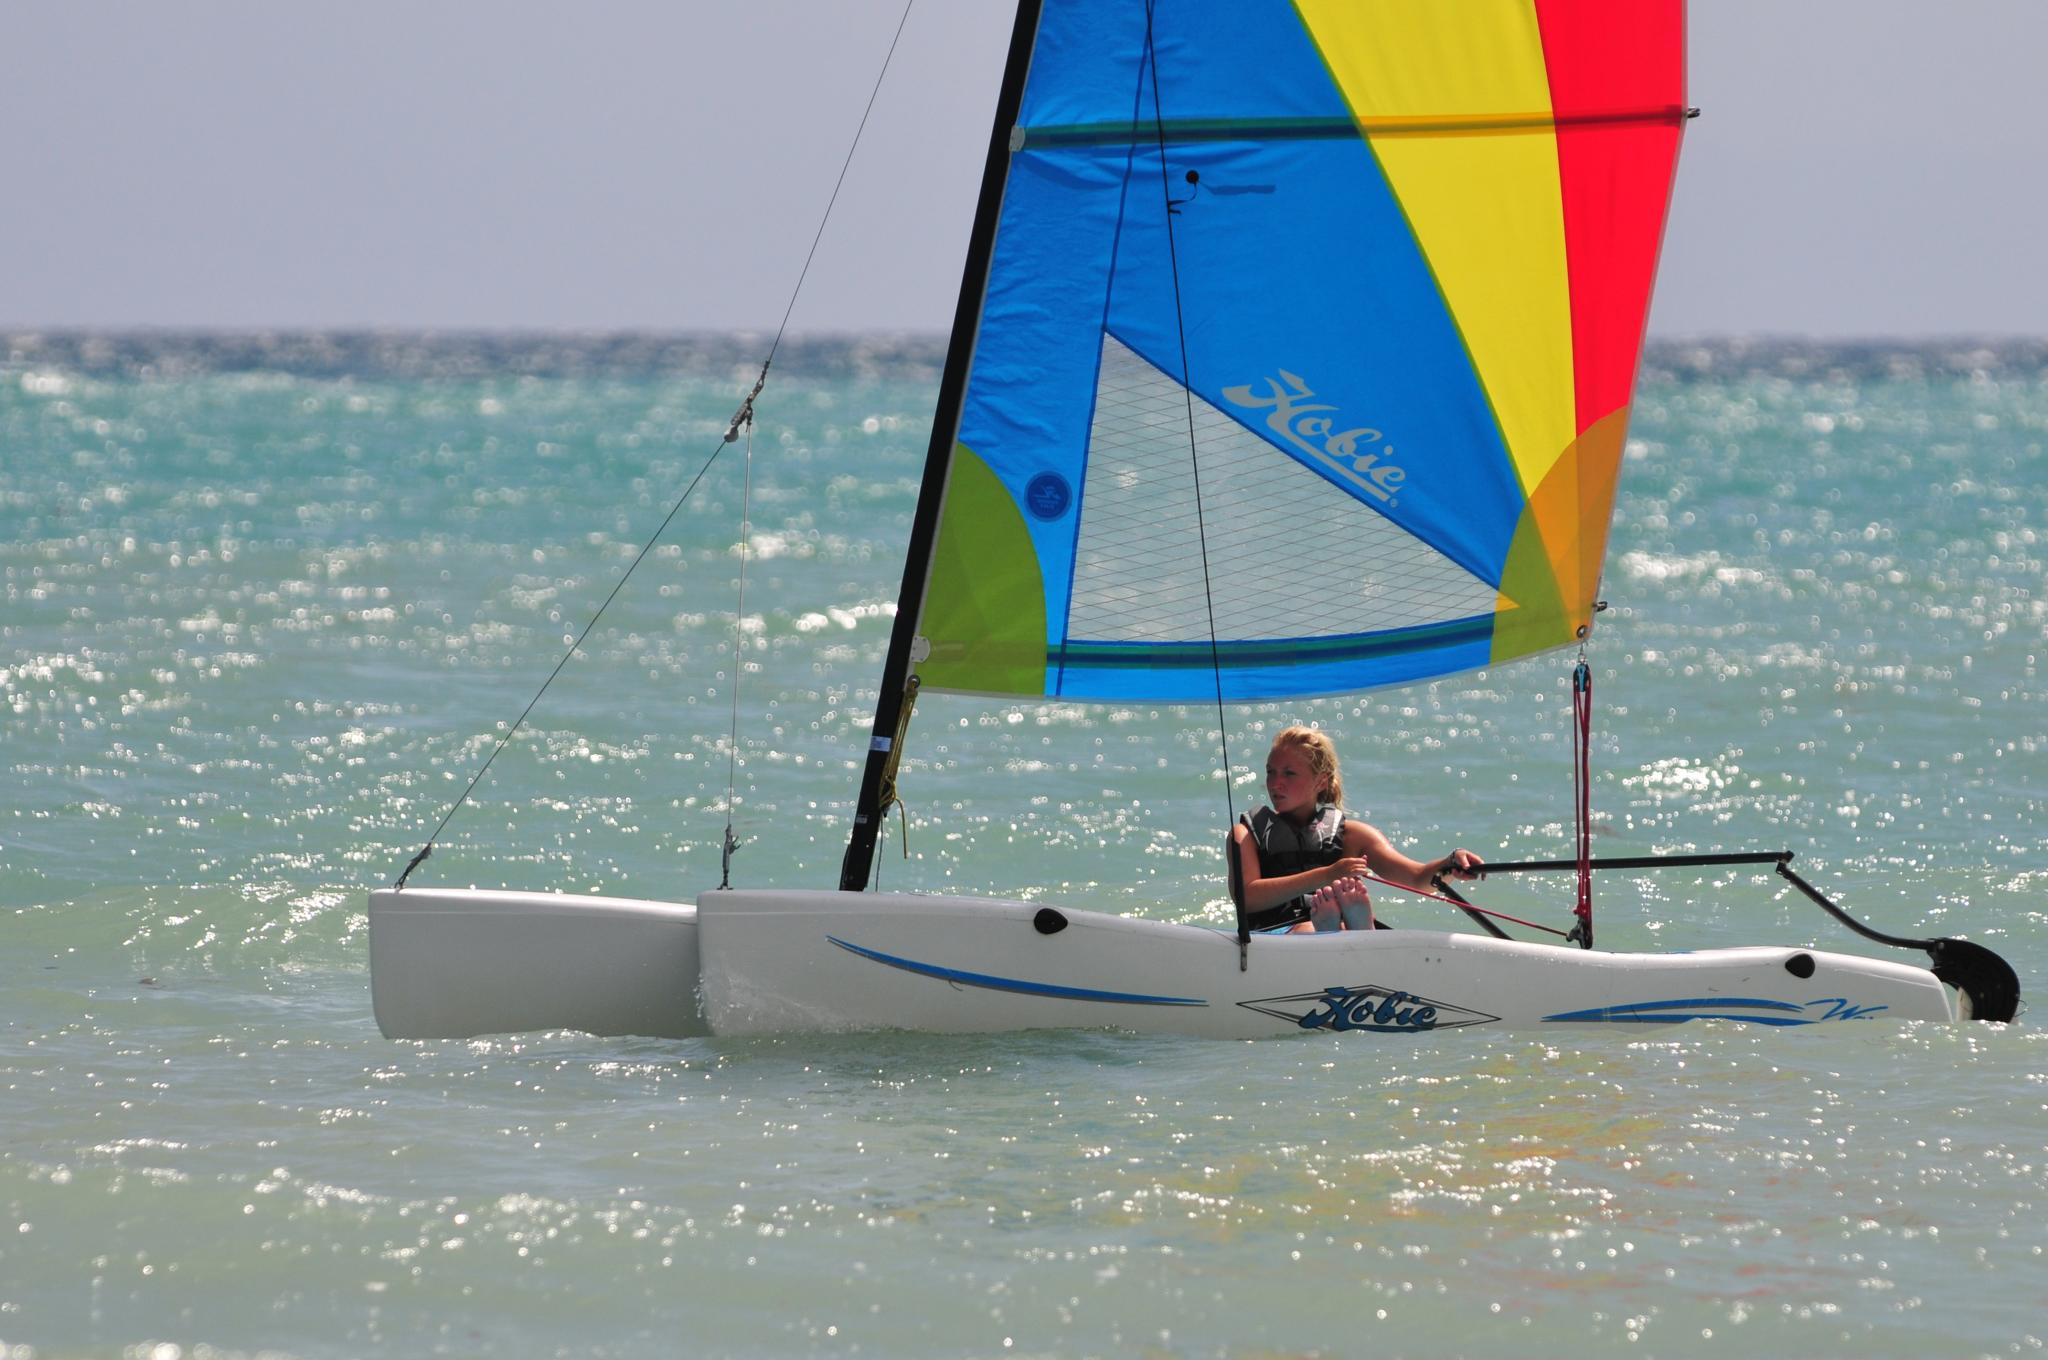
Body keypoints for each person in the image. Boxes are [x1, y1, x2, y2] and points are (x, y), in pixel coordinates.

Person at [1229, 725, 1483, 933]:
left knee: (1337, 929)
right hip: (1270, 940)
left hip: (1337, 932)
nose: (1275, 783)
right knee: (1312, 931)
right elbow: (1247, 898)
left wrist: (1451, 862)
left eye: (1289, 773)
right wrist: (1328, 875)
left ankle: (1346, 930)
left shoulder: (1353, 835)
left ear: (1321, 781)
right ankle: (1344, 931)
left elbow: (1417, 878)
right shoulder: (1246, 835)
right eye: (1270, 772)